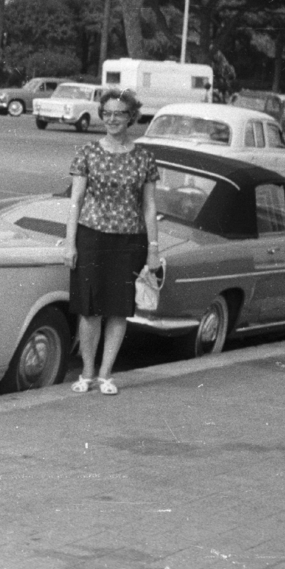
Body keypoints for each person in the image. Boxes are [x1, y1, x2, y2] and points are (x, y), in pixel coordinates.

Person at [63, 88, 160, 396]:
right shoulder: (88, 152)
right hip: (91, 236)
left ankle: (106, 374)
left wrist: (153, 252)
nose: (112, 119)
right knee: (89, 307)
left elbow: (149, 206)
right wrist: (70, 243)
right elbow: (75, 201)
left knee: (118, 309)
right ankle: (88, 372)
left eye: (119, 113)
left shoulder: (144, 157)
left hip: (129, 240)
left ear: (131, 117)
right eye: (107, 113)